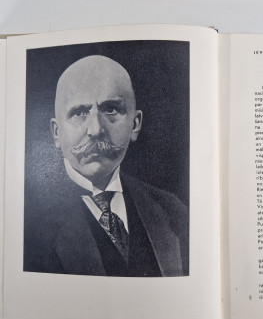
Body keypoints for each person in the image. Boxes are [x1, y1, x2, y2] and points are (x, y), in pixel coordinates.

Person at [24, 55, 189, 277]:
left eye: (110, 109)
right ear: (56, 132)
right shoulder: (26, 227)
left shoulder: (171, 210)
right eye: (79, 113)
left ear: (135, 124)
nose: (95, 129)